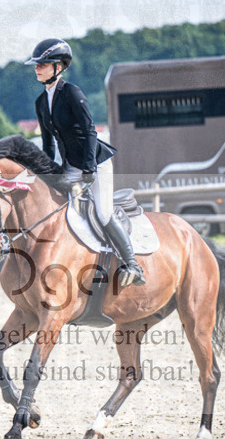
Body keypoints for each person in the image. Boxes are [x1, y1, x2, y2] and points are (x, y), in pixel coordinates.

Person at [25, 38, 146, 287]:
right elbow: (48, 144)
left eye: (43, 64)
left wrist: (89, 168)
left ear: (59, 66)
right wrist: (46, 174)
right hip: (69, 166)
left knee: (102, 211)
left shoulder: (72, 93)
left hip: (95, 162)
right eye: (36, 65)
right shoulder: (40, 103)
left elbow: (90, 131)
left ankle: (132, 264)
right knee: (59, 209)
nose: (37, 68)